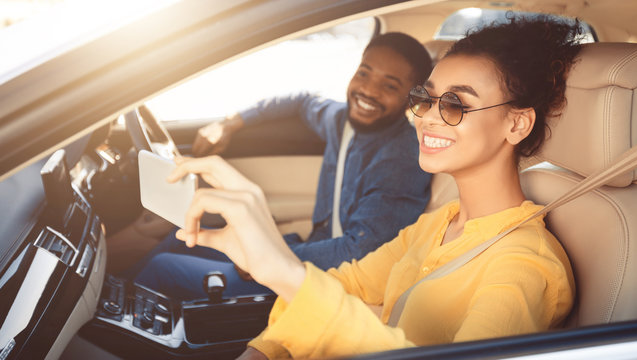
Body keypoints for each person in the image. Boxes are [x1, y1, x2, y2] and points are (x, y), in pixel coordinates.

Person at [167, 16, 584, 359]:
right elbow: (340, 286)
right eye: (425, 98)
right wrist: (264, 349)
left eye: (456, 104)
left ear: (517, 123)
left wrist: (281, 267)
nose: (427, 118)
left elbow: (316, 295)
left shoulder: (525, 267)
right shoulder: (438, 225)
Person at [132, 32, 434, 299]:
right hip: (311, 249)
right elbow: (300, 101)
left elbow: (360, 252)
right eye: (364, 74)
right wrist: (230, 124)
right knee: (180, 238)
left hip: (327, 282)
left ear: (411, 99)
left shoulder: (401, 159)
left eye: (390, 86)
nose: (368, 90)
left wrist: (267, 255)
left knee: (164, 269)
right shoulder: (341, 121)